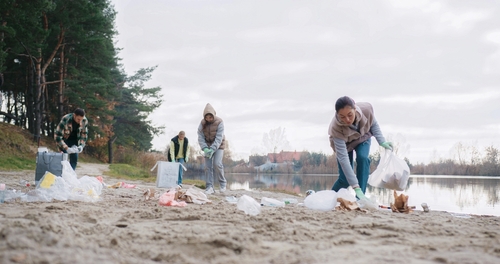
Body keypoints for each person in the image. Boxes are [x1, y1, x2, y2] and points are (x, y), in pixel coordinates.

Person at [328, 96, 392, 200]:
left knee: (363, 158)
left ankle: (360, 198)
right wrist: (355, 186)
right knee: (345, 179)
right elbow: (344, 160)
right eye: (342, 117)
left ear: (355, 108)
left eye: (350, 115)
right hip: (345, 144)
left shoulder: (366, 109)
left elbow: (373, 124)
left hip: (362, 137)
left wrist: (382, 141)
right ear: (337, 114)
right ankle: (330, 198)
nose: (347, 120)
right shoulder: (336, 128)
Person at [197, 103, 226, 194]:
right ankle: (209, 187)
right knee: (207, 167)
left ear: (213, 115)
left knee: (217, 164)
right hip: (207, 146)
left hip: (218, 146)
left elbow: (219, 137)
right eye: (207, 117)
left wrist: (213, 149)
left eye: (210, 117)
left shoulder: (220, 122)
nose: (208, 119)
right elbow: (200, 137)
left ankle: (222, 184)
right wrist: (205, 148)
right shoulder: (202, 123)